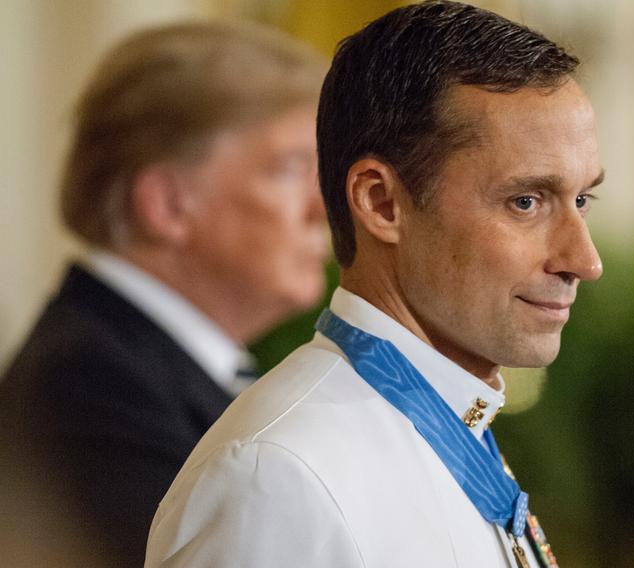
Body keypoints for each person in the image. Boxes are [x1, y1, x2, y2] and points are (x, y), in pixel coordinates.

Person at [146, 2, 603, 566]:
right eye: (526, 202)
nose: (584, 260)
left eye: (582, 199)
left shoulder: (453, 418)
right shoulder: (280, 478)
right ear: (382, 203)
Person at [0, 21, 327, 566]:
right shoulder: (91, 391)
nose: (322, 209)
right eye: (290, 169)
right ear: (169, 205)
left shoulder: (127, 369)